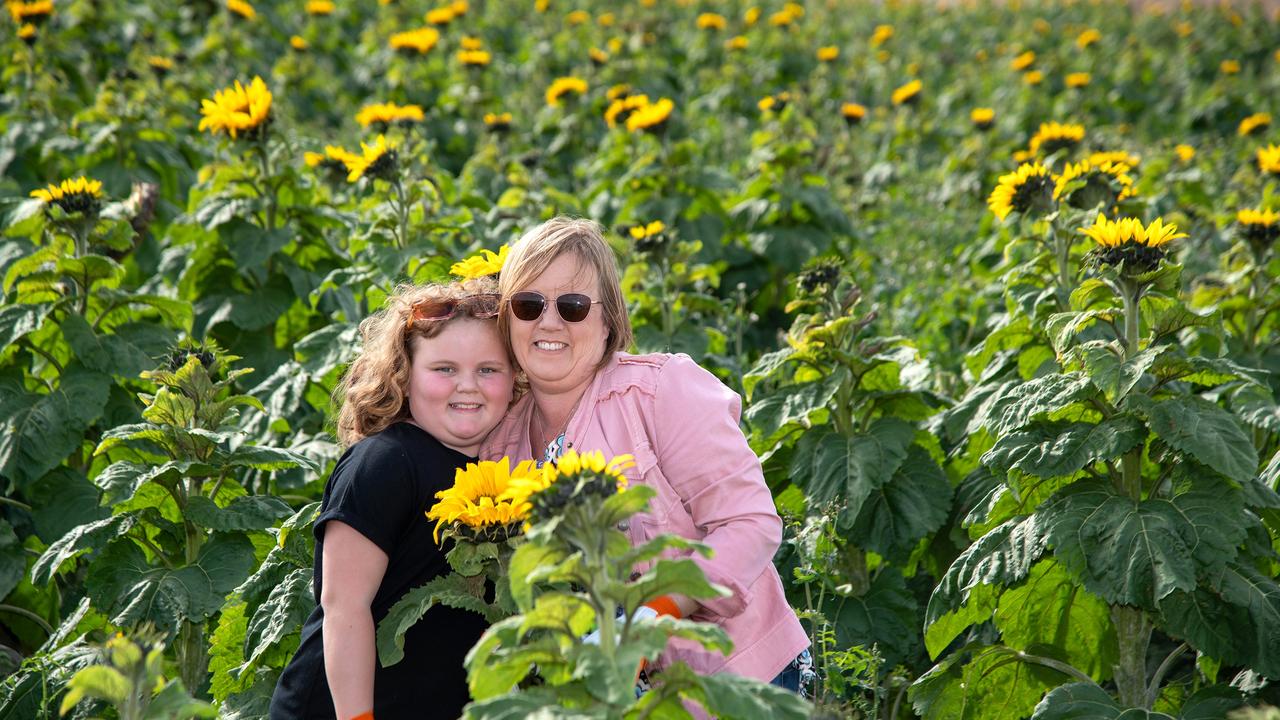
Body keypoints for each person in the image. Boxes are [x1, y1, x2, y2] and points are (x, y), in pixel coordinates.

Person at [480, 217, 810, 690]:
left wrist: (658, 611)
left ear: (609, 317)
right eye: (528, 304)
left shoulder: (660, 393)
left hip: (733, 680)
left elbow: (750, 523)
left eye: (572, 306)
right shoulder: (499, 444)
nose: (548, 321)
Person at [271, 280, 515, 720]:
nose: (467, 386)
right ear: (405, 375)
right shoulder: (385, 462)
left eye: (488, 370)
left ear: (515, 377)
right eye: (444, 369)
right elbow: (344, 606)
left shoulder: (503, 471)